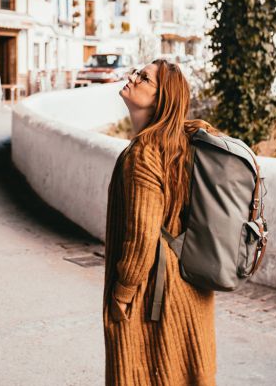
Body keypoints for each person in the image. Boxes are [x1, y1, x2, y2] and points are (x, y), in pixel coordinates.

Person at [104, 59, 218, 385]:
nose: (132, 77)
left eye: (144, 78)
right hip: (191, 287)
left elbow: (142, 234)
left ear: (160, 98)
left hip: (157, 292)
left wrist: (123, 293)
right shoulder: (179, 144)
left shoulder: (144, 152)